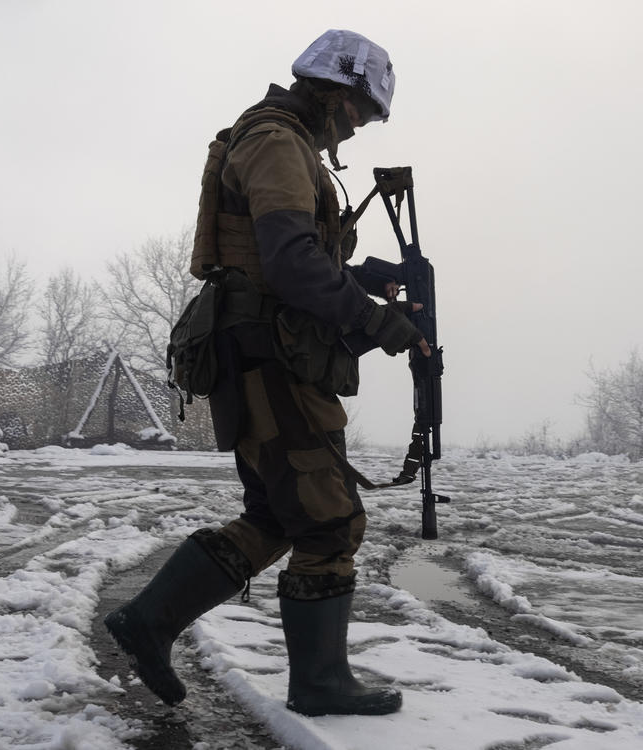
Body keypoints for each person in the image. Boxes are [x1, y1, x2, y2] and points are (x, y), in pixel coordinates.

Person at [104, 29, 428, 717]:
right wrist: (374, 321)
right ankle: (318, 683)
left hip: (262, 353)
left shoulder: (279, 142)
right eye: (364, 113)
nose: (362, 128)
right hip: (271, 359)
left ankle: (151, 621)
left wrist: (369, 278)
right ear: (338, 94)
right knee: (329, 523)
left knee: (277, 516)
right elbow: (288, 264)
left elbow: (286, 253)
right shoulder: (279, 144)